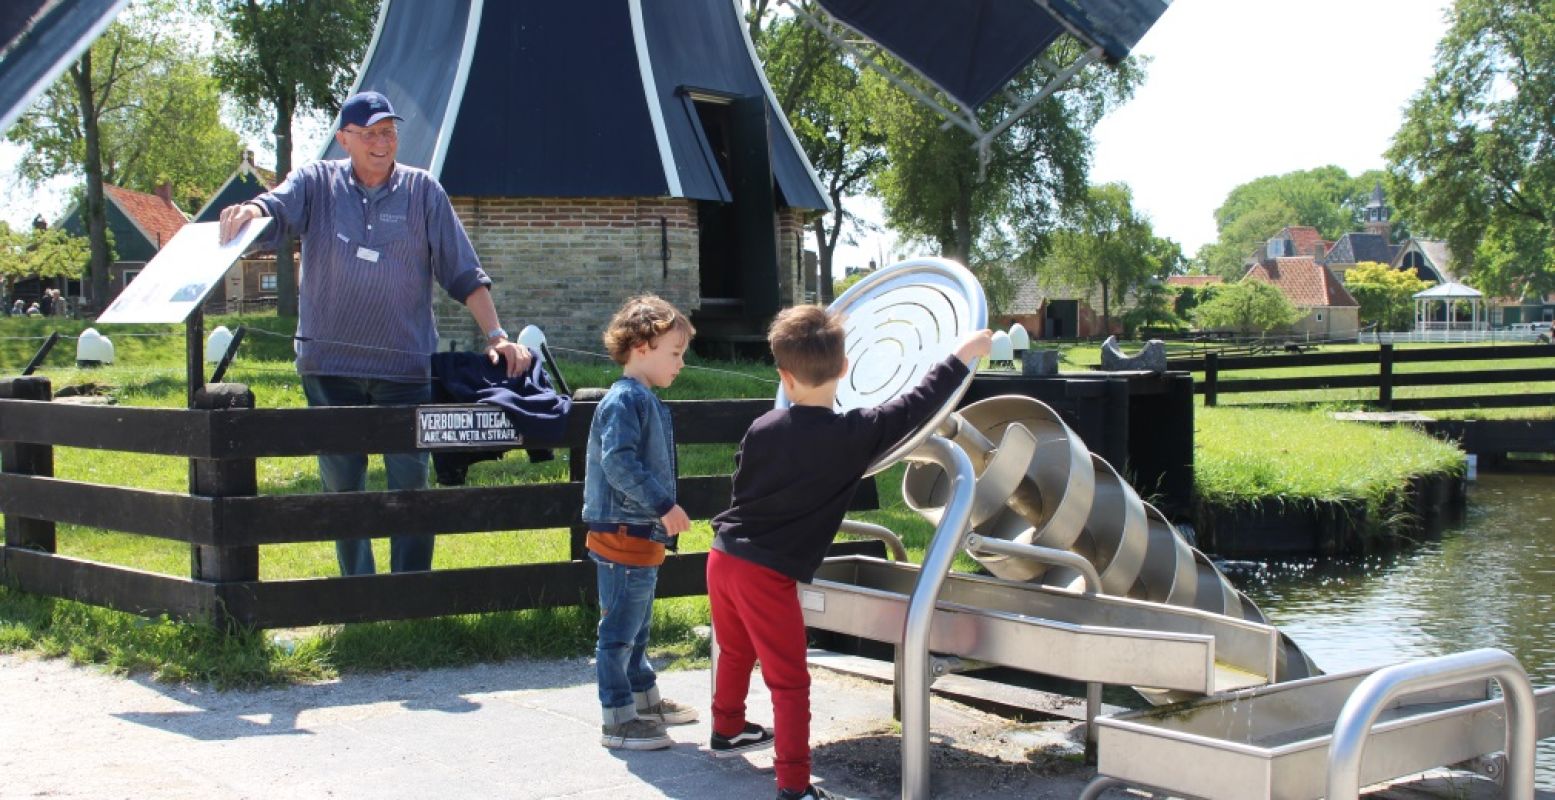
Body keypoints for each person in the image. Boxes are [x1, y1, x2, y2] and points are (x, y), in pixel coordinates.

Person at [216, 90, 532, 576]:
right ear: (345, 139)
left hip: (404, 369)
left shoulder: (424, 191)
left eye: (389, 132)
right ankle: (357, 592)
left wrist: (496, 335)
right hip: (330, 369)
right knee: (343, 488)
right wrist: (254, 211)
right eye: (369, 134)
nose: (382, 143)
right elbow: (277, 208)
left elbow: (464, 272)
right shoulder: (317, 183)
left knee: (410, 486)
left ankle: (408, 590)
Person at [707, 306, 991, 800]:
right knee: (789, 681)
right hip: (765, 575)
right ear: (844, 368)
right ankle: (795, 785)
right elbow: (918, 404)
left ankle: (727, 727)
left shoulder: (763, 427)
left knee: (735, 649)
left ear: (783, 376)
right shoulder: (856, 434)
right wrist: (961, 355)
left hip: (723, 555)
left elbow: (743, 484)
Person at [582, 295, 701, 750]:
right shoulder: (625, 400)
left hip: (639, 538)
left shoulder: (643, 399)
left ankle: (643, 700)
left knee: (638, 626)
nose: (681, 363)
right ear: (642, 346)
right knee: (617, 634)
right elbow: (619, 463)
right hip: (623, 534)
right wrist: (662, 506)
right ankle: (617, 719)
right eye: (675, 353)